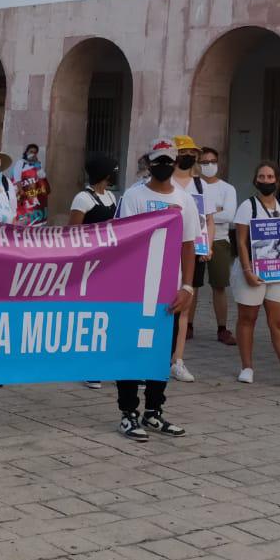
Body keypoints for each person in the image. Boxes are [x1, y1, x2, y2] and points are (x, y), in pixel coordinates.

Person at [113, 138, 197, 441]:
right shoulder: (134, 196)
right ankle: (128, 413)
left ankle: (154, 412)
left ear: (175, 163)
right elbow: (122, 239)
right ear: (149, 163)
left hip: (169, 289)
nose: (163, 165)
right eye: (157, 160)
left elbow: (189, 246)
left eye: (168, 160)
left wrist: (187, 285)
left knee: (162, 352)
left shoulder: (185, 199)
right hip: (136, 287)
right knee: (132, 349)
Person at [230, 162, 280, 391]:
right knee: (248, 319)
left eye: (270, 176)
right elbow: (241, 242)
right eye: (262, 176)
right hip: (253, 271)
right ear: (256, 181)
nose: (266, 180)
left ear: (278, 180)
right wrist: (247, 271)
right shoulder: (247, 206)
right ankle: (247, 367)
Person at [68, 152, 118, 389]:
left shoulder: (111, 197)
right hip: (88, 264)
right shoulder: (83, 199)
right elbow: (73, 231)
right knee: (88, 314)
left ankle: (102, 362)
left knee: (105, 315)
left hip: (108, 263)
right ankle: (88, 366)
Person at [169, 135, 213, 382]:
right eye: (186, 152)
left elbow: (207, 219)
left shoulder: (200, 185)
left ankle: (178, 360)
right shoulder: (165, 181)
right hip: (165, 251)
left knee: (184, 307)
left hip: (191, 251)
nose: (191, 157)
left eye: (193, 153)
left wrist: (208, 246)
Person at [190, 146, 237, 347]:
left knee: (219, 285)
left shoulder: (227, 189)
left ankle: (222, 328)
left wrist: (207, 215)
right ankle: (188, 325)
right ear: (198, 164)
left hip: (219, 241)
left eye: (212, 161)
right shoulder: (192, 186)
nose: (209, 166)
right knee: (192, 285)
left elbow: (230, 216)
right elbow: (191, 214)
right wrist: (214, 212)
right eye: (204, 162)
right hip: (195, 239)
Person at [10, 144, 50, 224]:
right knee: (23, 215)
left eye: (35, 152)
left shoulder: (38, 164)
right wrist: (21, 191)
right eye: (31, 151)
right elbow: (17, 178)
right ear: (26, 152)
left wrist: (38, 167)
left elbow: (42, 177)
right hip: (23, 194)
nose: (33, 154)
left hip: (34, 195)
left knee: (34, 217)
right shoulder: (21, 163)